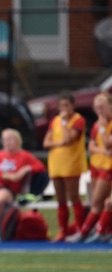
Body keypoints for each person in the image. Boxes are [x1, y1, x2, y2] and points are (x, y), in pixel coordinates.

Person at [66, 92, 112, 242]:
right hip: (96, 164)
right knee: (97, 202)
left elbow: (108, 144)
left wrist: (103, 128)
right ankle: (100, 231)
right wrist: (102, 151)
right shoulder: (98, 124)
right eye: (97, 104)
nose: (99, 107)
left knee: (100, 201)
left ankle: (88, 232)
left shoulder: (105, 124)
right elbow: (92, 146)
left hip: (108, 167)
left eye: (102, 104)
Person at [42, 91, 88, 242]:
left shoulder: (78, 120)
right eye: (61, 105)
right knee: (60, 199)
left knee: (74, 197)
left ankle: (81, 230)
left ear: (72, 105)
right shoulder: (54, 120)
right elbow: (46, 142)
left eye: (66, 105)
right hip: (56, 163)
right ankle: (63, 230)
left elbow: (68, 139)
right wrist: (58, 143)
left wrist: (63, 123)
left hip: (71, 164)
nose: (63, 109)